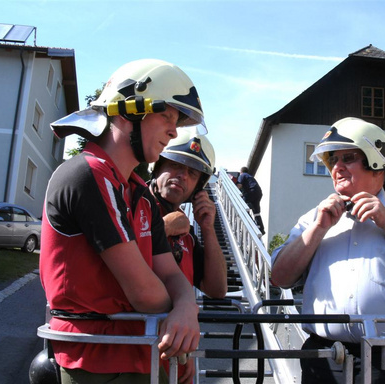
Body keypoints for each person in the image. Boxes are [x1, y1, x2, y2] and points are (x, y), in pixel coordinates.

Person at [40, 59, 206, 383]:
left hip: (141, 354)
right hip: (94, 360)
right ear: (127, 112)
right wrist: (182, 309)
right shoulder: (87, 174)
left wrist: (187, 309)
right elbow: (142, 292)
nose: (174, 131)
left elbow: (169, 272)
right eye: (167, 116)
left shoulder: (139, 192)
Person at [270, 117, 385, 384]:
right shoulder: (314, 218)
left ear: (377, 164)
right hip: (323, 358)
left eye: (348, 158)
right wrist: (319, 228)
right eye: (333, 160)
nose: (337, 167)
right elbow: (280, 277)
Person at [149, 129, 228, 383]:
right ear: (157, 167)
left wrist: (207, 227)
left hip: (177, 357)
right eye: (175, 165)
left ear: (197, 189)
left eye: (192, 173)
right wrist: (164, 227)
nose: (182, 176)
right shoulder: (132, 204)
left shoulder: (189, 234)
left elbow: (217, 289)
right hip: (133, 352)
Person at [237, 166, 265, 235]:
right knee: (256, 212)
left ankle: (251, 223)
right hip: (258, 192)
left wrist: (234, 190)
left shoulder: (242, 175)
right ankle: (261, 229)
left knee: (242, 206)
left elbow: (239, 185)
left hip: (251, 192)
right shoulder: (250, 176)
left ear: (241, 172)